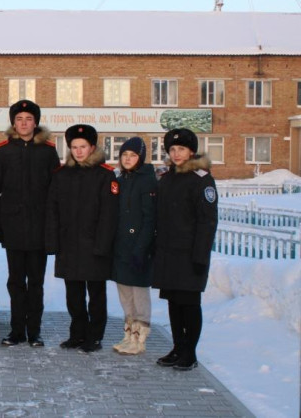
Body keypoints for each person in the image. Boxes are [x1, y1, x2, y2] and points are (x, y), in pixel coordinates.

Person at [0, 100, 60, 347]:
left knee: (36, 283)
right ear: (13, 123)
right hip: (13, 228)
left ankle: (34, 331)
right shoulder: (2, 151)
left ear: (35, 122)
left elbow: (56, 193)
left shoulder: (48, 151)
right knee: (16, 281)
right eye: (19, 119)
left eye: (28, 119)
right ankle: (17, 330)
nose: (24, 123)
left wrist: (53, 226)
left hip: (39, 229)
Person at [46, 124, 119, 352]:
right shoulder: (61, 175)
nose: (78, 151)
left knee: (96, 295)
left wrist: (103, 245)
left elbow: (110, 215)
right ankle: (77, 334)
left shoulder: (105, 175)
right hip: (69, 245)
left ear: (92, 147)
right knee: (74, 295)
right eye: (74, 147)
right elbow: (52, 210)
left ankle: (95, 336)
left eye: (83, 147)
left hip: (94, 246)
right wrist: (53, 241)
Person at [152, 128, 218, 371]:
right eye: (172, 149)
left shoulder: (202, 179)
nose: (176, 153)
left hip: (190, 255)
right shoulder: (167, 178)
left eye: (181, 149)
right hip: (168, 253)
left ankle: (190, 353)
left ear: (191, 151)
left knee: (189, 304)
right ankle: (177, 347)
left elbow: (207, 221)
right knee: (173, 303)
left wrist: (200, 255)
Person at [110, 137, 157, 355]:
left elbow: (150, 219)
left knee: (139, 296)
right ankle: (129, 335)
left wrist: (141, 247)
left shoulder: (147, 181)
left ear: (141, 158)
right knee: (125, 295)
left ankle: (141, 339)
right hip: (121, 248)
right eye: (125, 155)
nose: (128, 159)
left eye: (133, 155)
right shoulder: (122, 179)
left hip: (138, 248)